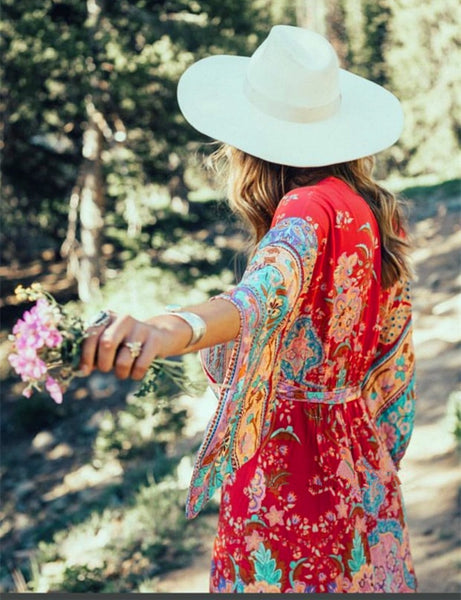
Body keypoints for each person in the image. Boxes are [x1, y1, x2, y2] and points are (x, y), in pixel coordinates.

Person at [79, 25, 417, 593]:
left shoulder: (306, 209)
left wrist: (168, 329)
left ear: (245, 146)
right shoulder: (369, 210)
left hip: (292, 471)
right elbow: (395, 354)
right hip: (357, 454)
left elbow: (259, 296)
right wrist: (380, 447)